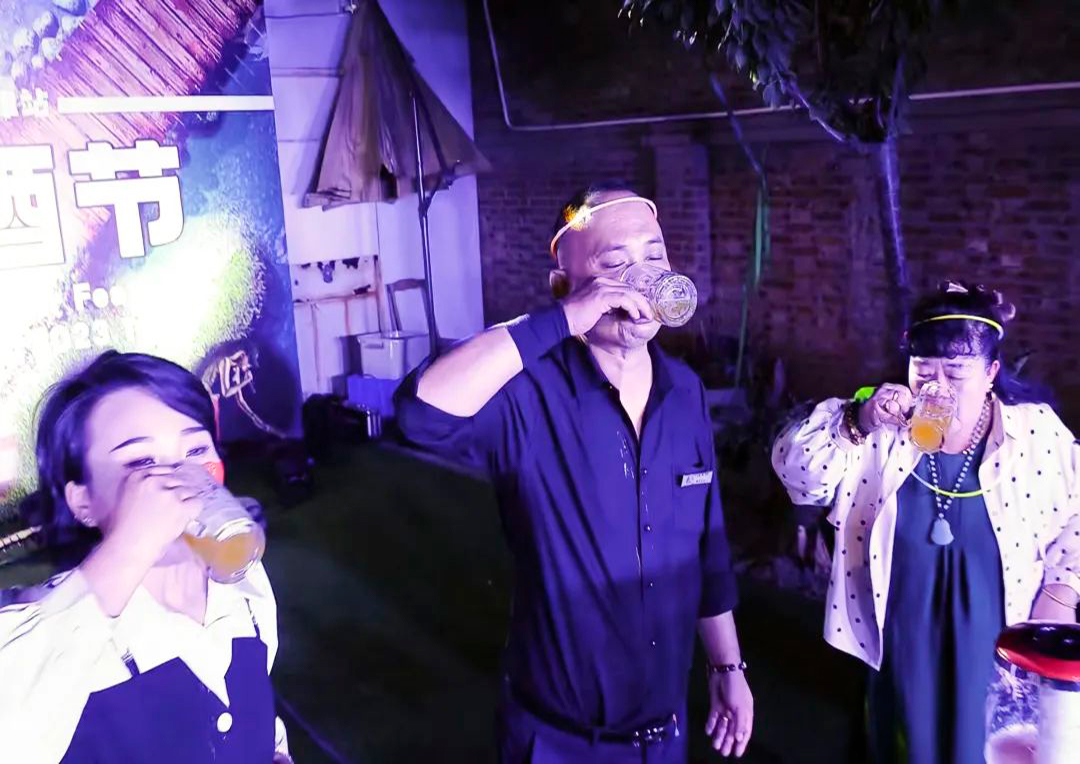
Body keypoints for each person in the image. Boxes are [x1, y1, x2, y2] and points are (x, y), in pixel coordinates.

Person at [396, 183, 753, 762]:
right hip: (559, 742)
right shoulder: (528, 391)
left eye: (654, 255)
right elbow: (420, 416)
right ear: (565, 286)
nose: (641, 278)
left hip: (664, 738)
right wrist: (559, 322)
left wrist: (727, 666)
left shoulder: (684, 392)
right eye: (614, 265)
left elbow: (707, 548)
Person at [772, 282, 1080, 763]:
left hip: (999, 645)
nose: (937, 388)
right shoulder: (879, 432)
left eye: (956, 373)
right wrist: (859, 420)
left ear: (991, 372)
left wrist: (1061, 592)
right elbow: (797, 475)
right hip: (903, 641)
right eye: (924, 371)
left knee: (988, 746)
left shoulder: (1035, 433)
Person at [0, 351, 291, 764]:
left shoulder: (245, 585)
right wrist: (132, 545)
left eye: (196, 450)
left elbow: (259, 715)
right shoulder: (48, 629)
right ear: (83, 502)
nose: (181, 478)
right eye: (141, 462)